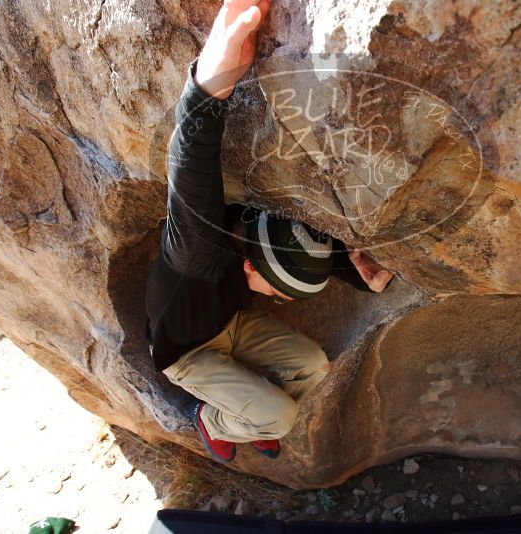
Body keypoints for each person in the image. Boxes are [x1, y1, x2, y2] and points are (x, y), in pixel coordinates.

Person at [145, 0, 393, 464]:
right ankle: (214, 420)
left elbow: (297, 250)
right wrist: (207, 85)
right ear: (246, 265)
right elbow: (189, 170)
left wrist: (362, 274)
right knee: (280, 418)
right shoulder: (195, 253)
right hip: (187, 352)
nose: (278, 300)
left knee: (314, 366)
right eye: (278, 293)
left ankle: (252, 409)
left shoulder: (259, 235)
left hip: (229, 326)